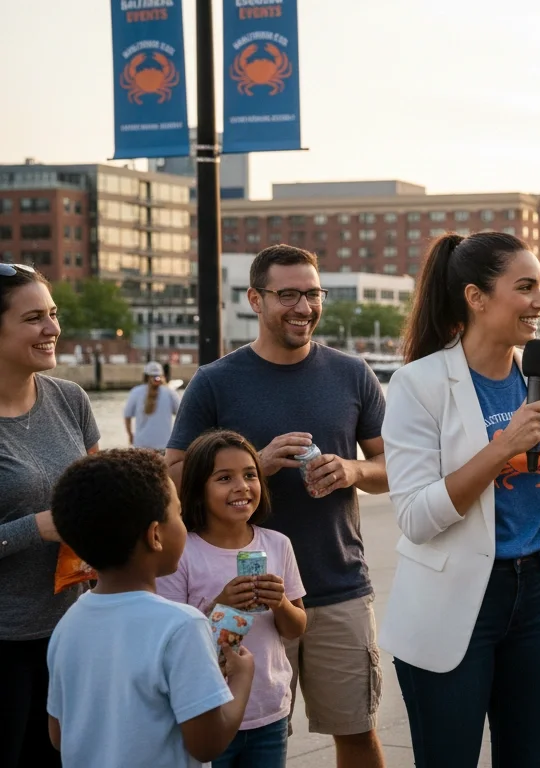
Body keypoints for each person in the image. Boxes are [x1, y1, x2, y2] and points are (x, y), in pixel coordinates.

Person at [381, 233, 540, 767]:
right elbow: (415, 517)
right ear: (476, 297)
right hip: (456, 604)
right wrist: (500, 449)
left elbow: (520, 499)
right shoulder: (418, 384)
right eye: (525, 288)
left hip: (538, 595)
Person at [166, 245, 390, 766]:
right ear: (255, 300)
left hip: (338, 587)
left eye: (312, 294)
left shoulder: (353, 372)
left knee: (357, 734)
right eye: (286, 294)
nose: (303, 307)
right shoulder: (215, 380)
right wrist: (253, 467)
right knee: (252, 739)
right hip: (246, 595)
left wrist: (352, 470)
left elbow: (396, 469)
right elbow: (172, 479)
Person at [45, 448, 254, 767]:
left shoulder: (68, 624)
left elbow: (59, 736)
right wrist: (241, 679)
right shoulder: (182, 626)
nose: (184, 525)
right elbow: (206, 744)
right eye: (179, 515)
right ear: (155, 535)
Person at [0, 263, 100, 768]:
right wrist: (35, 527)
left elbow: (102, 493)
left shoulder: (70, 399)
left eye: (54, 314)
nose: (52, 329)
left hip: (73, 630)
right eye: (34, 317)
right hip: (6, 643)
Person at [159, 430, 306, 768]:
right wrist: (221, 606)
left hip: (269, 709)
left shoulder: (277, 544)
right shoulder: (182, 553)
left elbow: (297, 626)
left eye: (250, 475)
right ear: (197, 488)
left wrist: (280, 603)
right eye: (224, 478)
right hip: (208, 711)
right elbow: (173, 642)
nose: (241, 486)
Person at [124, 361, 181, 452]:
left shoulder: (136, 392)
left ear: (145, 376)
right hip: (164, 445)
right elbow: (181, 414)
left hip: (141, 446)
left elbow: (127, 415)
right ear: (162, 375)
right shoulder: (170, 392)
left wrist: (130, 435)